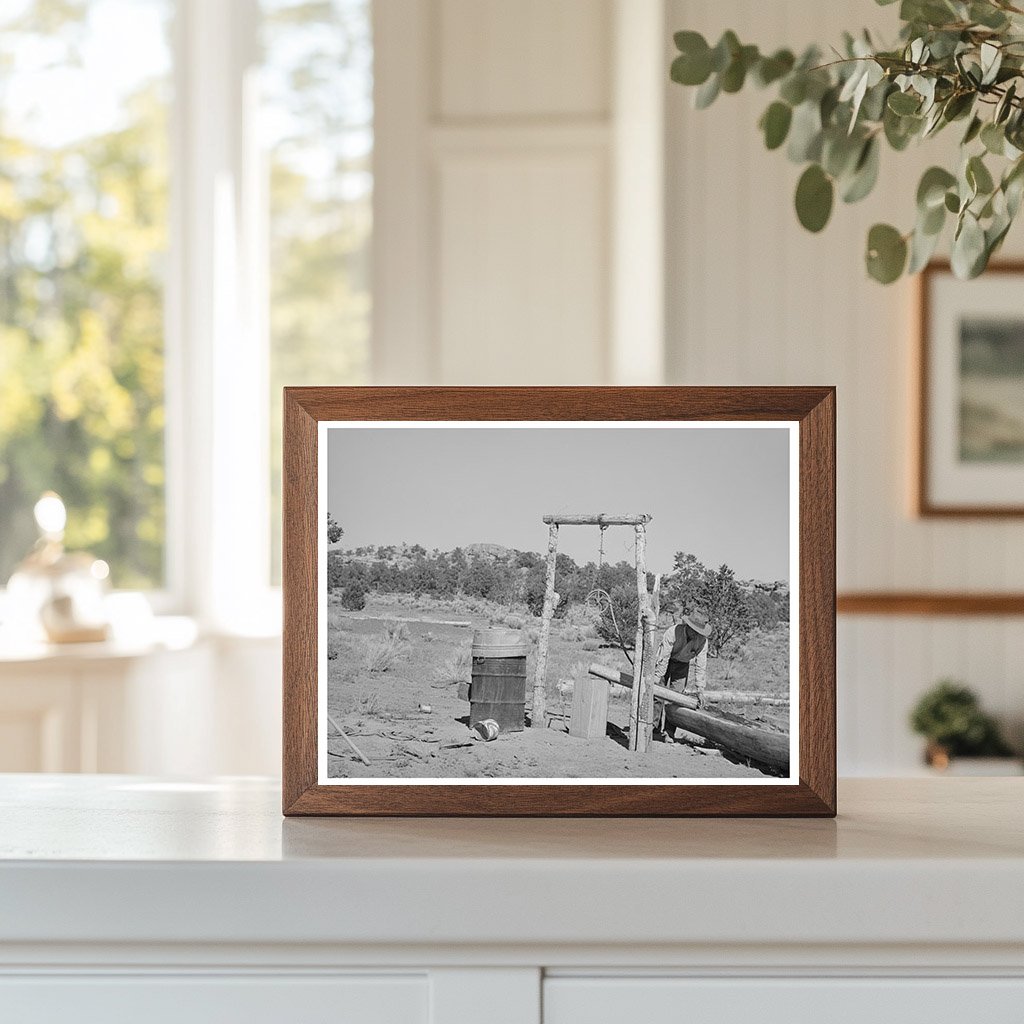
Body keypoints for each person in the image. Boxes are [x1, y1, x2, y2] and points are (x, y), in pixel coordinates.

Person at [651, 607, 712, 742]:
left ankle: (669, 732)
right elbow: (663, 657)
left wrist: (700, 689)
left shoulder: (702, 641)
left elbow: (701, 666)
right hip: (665, 662)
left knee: (676, 698)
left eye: (699, 631)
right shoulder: (672, 632)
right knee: (658, 695)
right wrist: (657, 678)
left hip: (682, 665)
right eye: (694, 630)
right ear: (688, 626)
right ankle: (653, 728)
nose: (696, 634)